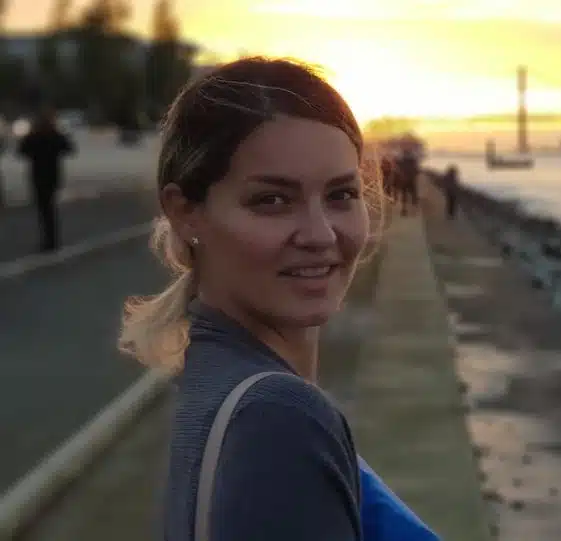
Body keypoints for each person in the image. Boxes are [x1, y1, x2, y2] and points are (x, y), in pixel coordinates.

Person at [118, 57, 438, 541]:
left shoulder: (212, 376)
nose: (319, 234)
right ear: (185, 212)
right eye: (272, 200)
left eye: (341, 195)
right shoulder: (278, 417)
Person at [17, 108, 75, 252]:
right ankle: (52, 238)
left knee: (44, 208)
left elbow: (21, 151)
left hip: (38, 175)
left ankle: (49, 239)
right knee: (48, 207)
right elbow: (69, 149)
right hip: (52, 175)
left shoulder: (34, 136)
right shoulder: (55, 135)